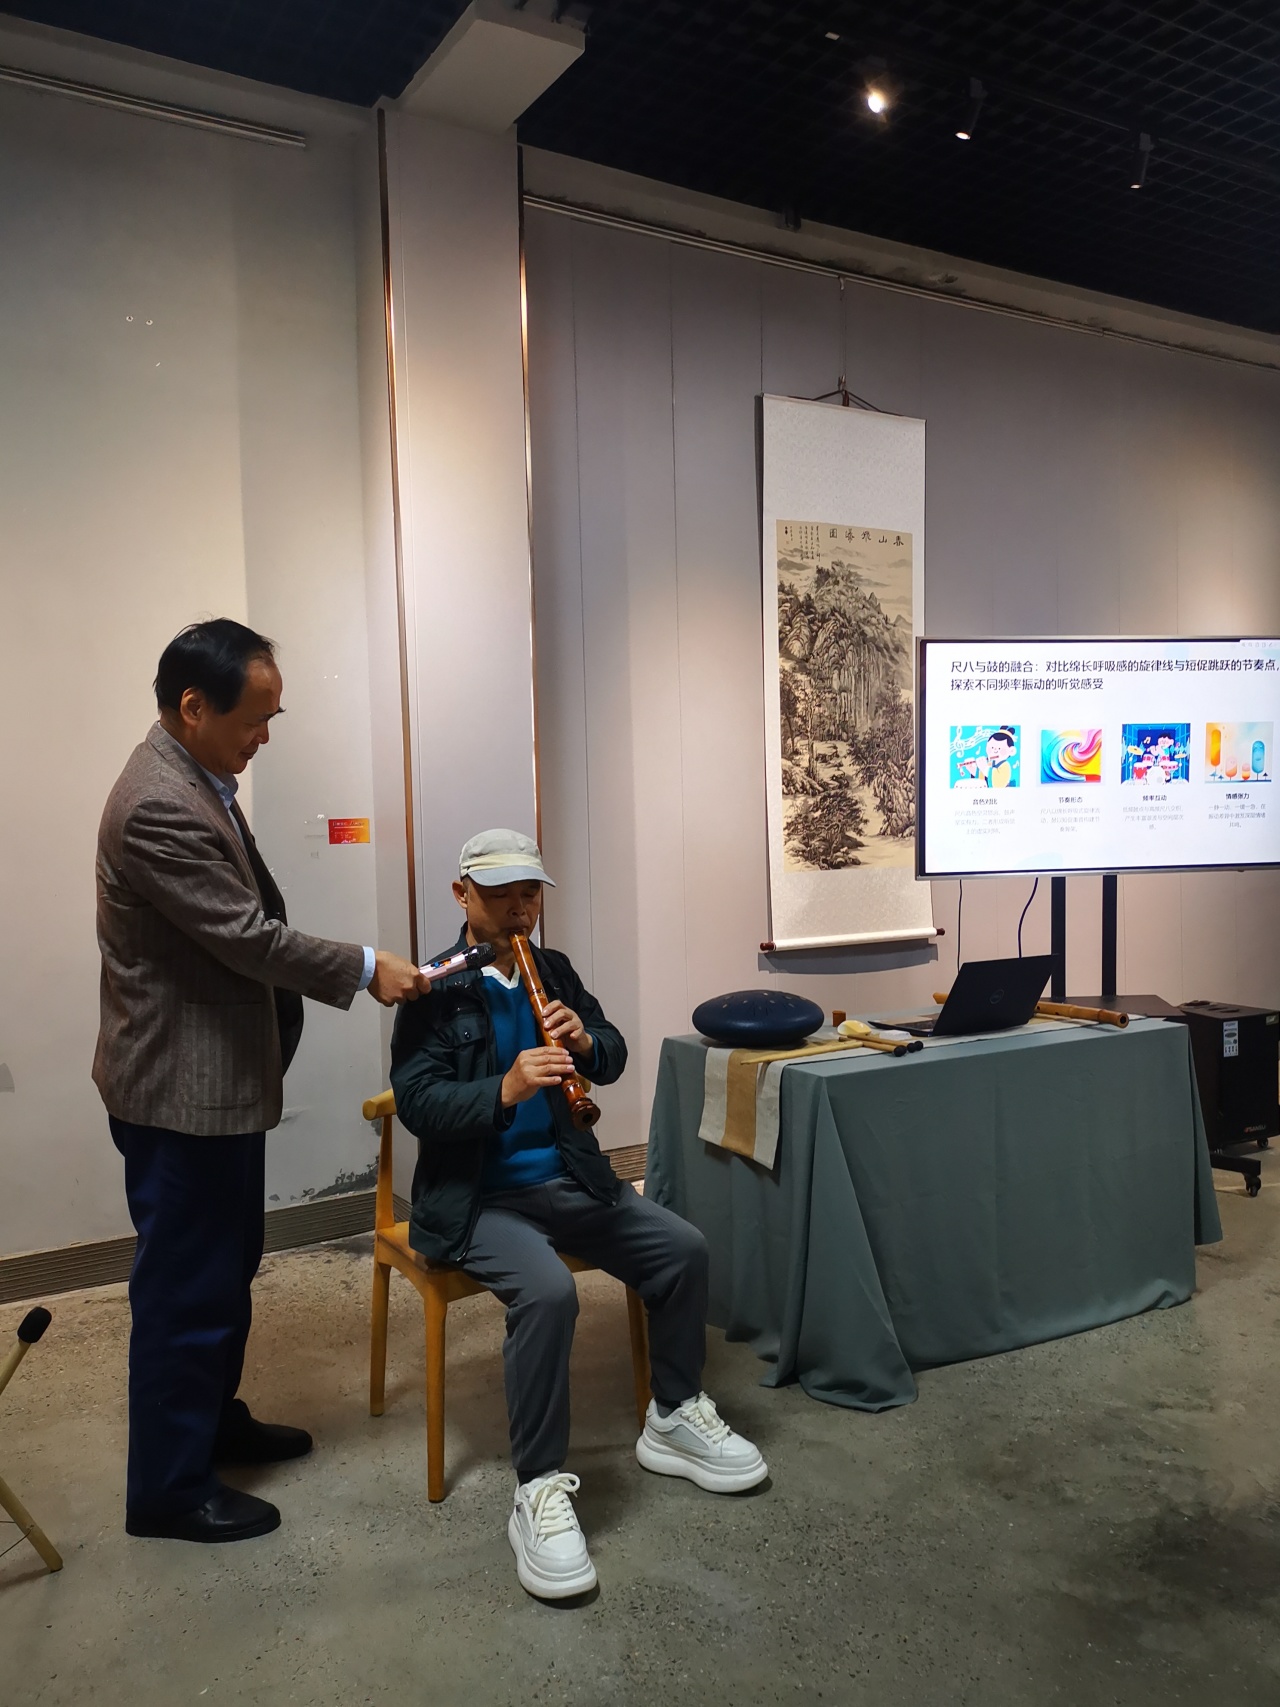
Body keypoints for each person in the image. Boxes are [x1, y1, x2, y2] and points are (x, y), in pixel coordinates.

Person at [95, 618, 427, 1544]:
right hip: (179, 1092)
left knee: (224, 1270)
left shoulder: (199, 776)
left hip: (217, 1087)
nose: (265, 736)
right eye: (255, 718)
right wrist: (365, 967)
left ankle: (210, 1424)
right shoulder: (157, 803)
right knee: (185, 1290)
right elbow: (245, 936)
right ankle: (168, 1489)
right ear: (193, 706)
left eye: (273, 717)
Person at [390, 829, 767, 1601]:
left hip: (569, 1176)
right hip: (477, 1197)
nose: (519, 907)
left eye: (529, 892)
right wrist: (504, 1087)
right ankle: (536, 1488)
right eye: (500, 893)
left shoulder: (553, 968)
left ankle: (673, 1414)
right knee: (548, 1291)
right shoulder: (433, 987)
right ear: (462, 894)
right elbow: (418, 1103)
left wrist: (585, 1040)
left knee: (682, 1249)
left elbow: (614, 1051)